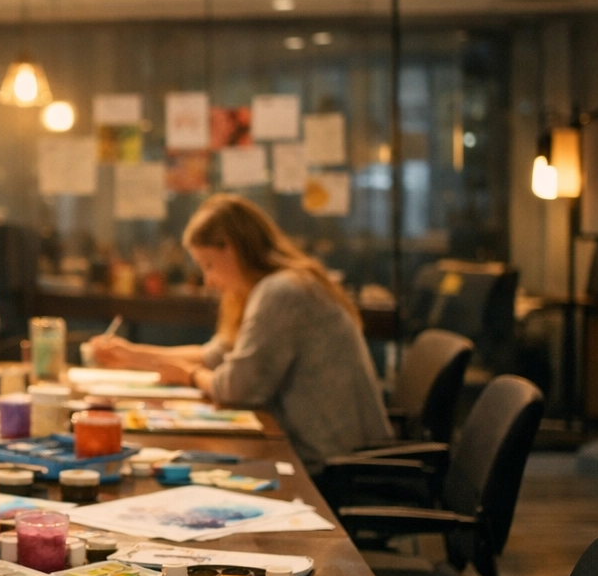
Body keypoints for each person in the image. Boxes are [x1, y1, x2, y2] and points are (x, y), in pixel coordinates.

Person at [87, 193, 389, 473]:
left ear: (231, 248)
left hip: (334, 462)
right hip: (326, 450)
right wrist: (132, 354)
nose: (209, 280)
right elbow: (216, 354)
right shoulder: (275, 286)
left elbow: (237, 387)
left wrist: (191, 375)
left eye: (209, 265)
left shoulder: (281, 292)